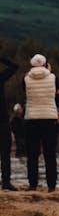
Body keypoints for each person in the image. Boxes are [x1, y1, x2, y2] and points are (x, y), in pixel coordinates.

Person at [23, 54, 58, 191]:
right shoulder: (53, 77)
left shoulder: (26, 78)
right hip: (49, 118)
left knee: (32, 154)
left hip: (32, 118)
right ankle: (51, 185)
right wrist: (49, 71)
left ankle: (33, 184)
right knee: (50, 153)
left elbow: (24, 90)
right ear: (45, 65)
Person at [0, 55, 19, 189]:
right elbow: (14, 66)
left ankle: (6, 182)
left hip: (3, 120)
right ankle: (6, 182)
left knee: (5, 152)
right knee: (5, 152)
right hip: (2, 120)